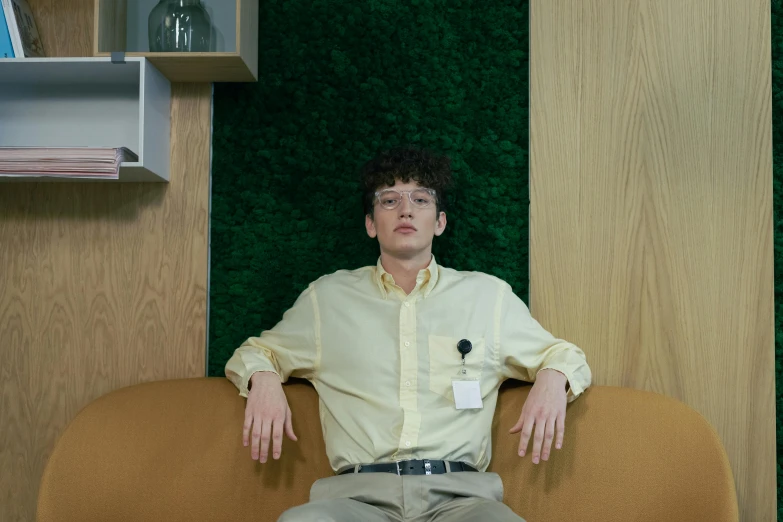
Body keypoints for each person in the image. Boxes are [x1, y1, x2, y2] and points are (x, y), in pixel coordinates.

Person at [224, 145, 592, 522]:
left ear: (440, 222)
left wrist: (551, 377)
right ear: (371, 224)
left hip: (461, 501)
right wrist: (265, 378)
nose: (406, 209)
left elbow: (564, 356)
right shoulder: (327, 299)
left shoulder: (487, 297)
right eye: (389, 200)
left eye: (420, 198)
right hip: (356, 501)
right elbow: (255, 352)